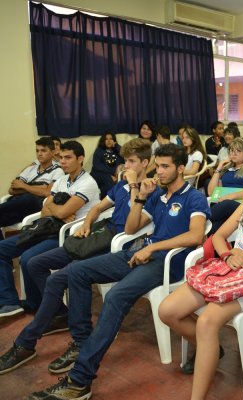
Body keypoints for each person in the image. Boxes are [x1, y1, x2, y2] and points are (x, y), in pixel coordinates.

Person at [27, 144, 210, 400]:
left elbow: (196, 235)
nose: (160, 171)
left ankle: (80, 381)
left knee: (115, 297)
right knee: (78, 272)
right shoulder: (157, 194)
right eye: (158, 166)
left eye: (166, 166)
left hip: (168, 262)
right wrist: (140, 195)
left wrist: (154, 246)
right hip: (141, 252)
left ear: (181, 168)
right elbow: (132, 226)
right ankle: (82, 342)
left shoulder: (194, 197)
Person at [0, 139, 151, 374]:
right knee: (37, 263)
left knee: (60, 277)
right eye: (126, 161)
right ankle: (53, 322)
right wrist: (86, 225)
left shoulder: (149, 189)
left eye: (132, 161)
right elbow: (97, 208)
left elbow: (132, 225)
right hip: (99, 235)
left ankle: (29, 342)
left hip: (117, 244)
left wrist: (134, 186)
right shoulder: (121, 185)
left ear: (145, 162)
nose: (127, 166)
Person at [158, 152, 243, 400]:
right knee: (167, 310)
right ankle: (211, 348)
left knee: (206, 322)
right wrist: (228, 256)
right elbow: (219, 236)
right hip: (227, 270)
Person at [0, 141, 99, 318]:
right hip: (47, 227)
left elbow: (60, 210)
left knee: (29, 258)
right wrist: (58, 210)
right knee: (2, 249)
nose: (63, 161)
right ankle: (10, 302)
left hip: (68, 234)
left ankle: (56, 310)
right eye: (61, 157)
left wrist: (57, 209)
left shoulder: (88, 183)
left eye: (68, 157)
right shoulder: (61, 180)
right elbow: (46, 209)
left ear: (81, 158)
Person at [0, 137, 64, 236]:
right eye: (37, 151)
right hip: (17, 206)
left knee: (28, 198)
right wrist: (39, 187)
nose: (39, 153)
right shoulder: (30, 169)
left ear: (52, 152)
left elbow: (47, 192)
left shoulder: (58, 171)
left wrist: (24, 186)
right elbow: (12, 190)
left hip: (35, 206)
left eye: (43, 150)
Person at [207, 138, 243, 233]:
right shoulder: (226, 169)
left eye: (238, 151)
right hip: (222, 206)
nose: (233, 153)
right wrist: (219, 167)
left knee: (227, 204)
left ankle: (199, 220)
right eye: (231, 150)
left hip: (242, 205)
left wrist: (231, 196)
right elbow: (211, 192)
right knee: (213, 228)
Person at [90, 132, 124, 198]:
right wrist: (110, 175)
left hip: (111, 176)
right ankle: (110, 201)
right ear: (103, 141)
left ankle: (107, 201)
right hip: (99, 174)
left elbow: (124, 159)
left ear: (114, 141)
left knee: (106, 186)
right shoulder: (99, 150)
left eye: (111, 139)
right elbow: (97, 166)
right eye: (106, 139)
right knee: (107, 180)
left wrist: (117, 146)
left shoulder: (117, 151)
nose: (109, 141)